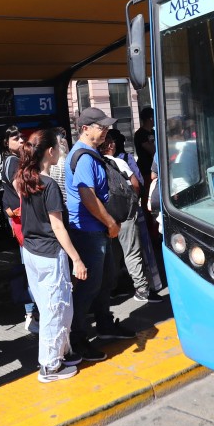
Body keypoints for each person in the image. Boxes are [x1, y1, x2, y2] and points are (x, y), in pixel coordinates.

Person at [15, 129, 87, 382]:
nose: (60, 151)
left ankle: (61, 352)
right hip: (50, 253)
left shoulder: (25, 179)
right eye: (57, 147)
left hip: (32, 252)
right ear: (49, 152)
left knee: (50, 308)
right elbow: (58, 227)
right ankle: (50, 365)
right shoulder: (49, 185)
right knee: (56, 309)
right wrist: (77, 259)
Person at [65, 107, 136, 362]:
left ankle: (104, 325)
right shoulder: (83, 157)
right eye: (101, 126)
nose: (106, 130)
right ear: (86, 128)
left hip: (98, 230)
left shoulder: (90, 153)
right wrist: (110, 223)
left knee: (105, 281)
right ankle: (78, 338)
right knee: (89, 286)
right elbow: (87, 196)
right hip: (89, 230)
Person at [100, 130, 163, 304]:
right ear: (110, 145)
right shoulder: (119, 161)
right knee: (132, 251)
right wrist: (132, 203)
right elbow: (136, 184)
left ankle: (112, 288)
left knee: (114, 253)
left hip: (106, 215)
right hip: (125, 213)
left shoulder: (95, 162)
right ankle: (142, 289)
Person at [0, 125, 38, 335]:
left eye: (22, 137)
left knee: (28, 264)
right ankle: (31, 314)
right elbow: (21, 190)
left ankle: (31, 313)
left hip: (19, 220)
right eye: (15, 138)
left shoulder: (9, 161)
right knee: (31, 266)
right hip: (25, 221)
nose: (21, 140)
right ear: (7, 143)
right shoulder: (13, 161)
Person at [133, 107, 155, 181]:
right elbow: (153, 150)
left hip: (155, 168)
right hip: (146, 170)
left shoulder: (154, 132)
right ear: (151, 118)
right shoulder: (140, 134)